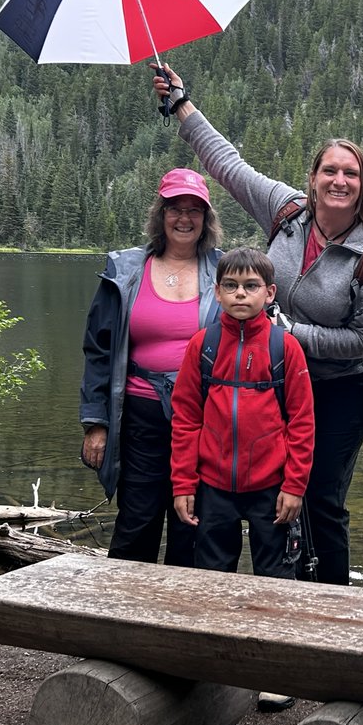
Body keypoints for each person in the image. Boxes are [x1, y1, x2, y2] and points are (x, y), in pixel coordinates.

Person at [152, 65, 363, 587]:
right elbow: (228, 165)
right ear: (313, 178)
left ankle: (330, 605)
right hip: (270, 383)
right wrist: (182, 106)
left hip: (339, 391)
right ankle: (280, 592)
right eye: (330, 170)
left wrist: (286, 333)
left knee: (321, 501)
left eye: (351, 174)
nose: (339, 181)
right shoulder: (285, 212)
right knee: (276, 503)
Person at [80, 167, 223, 566]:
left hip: (203, 417)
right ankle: (122, 603)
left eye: (194, 210)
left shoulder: (225, 272)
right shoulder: (126, 271)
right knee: (136, 523)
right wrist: (95, 422)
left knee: (193, 525)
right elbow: (98, 350)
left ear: (206, 218)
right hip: (139, 416)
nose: (184, 218)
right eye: (175, 208)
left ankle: (182, 605)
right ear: (160, 214)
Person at [169, 247, 314, 578]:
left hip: (271, 487)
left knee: (276, 579)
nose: (240, 294)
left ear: (269, 292)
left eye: (251, 286)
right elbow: (186, 420)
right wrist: (183, 484)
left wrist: (295, 486)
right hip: (213, 487)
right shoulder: (203, 345)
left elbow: (302, 423)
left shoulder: (285, 347)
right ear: (217, 292)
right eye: (231, 285)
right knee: (211, 577)